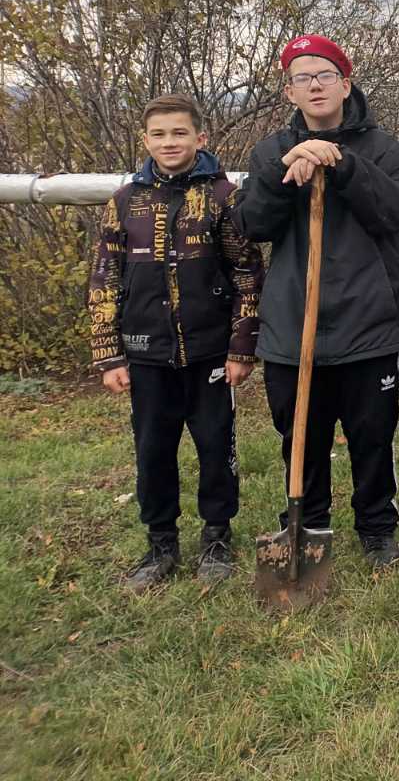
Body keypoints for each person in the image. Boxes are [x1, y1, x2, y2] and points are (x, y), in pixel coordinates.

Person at [240, 34, 399, 570]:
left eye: (325, 75)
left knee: (372, 434)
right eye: (303, 77)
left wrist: (340, 164)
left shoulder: (384, 149)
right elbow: (252, 223)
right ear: (289, 91)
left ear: (346, 84)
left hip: (368, 323)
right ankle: (308, 523)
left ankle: (376, 527)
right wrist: (289, 168)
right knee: (301, 431)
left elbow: (397, 212)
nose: (315, 85)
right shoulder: (271, 150)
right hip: (293, 326)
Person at [89, 94, 263, 592]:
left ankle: (216, 539)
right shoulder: (125, 201)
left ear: (200, 138)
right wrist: (109, 353)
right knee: (153, 450)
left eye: (180, 133)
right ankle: (160, 542)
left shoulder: (223, 196)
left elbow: (248, 273)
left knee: (215, 446)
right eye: (160, 134)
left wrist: (241, 346)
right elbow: (104, 277)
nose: (170, 142)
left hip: (209, 355)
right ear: (145, 141)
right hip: (145, 354)